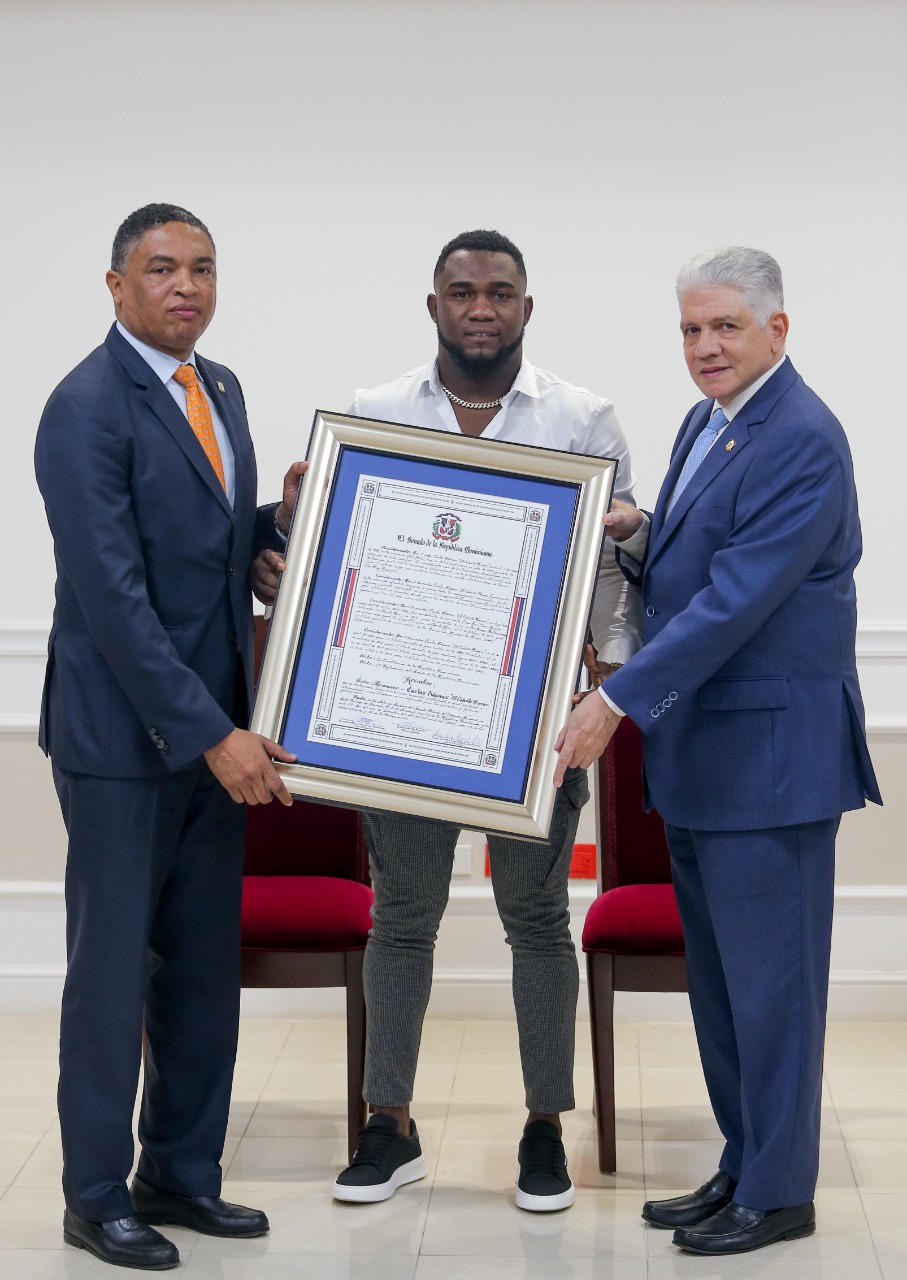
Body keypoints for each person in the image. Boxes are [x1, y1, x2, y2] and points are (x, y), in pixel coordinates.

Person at [257, 228, 642, 1211]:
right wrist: (295, 541)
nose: (481, 308)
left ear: (526, 306)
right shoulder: (374, 414)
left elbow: (604, 581)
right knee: (403, 921)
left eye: (500, 292)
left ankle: (543, 1129)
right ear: (432, 306)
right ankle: (389, 1126)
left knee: (537, 926)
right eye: (462, 292)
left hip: (534, 732)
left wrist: (608, 689)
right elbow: (340, 560)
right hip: (400, 724)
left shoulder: (582, 417)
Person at [555, 246, 881, 1255]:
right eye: (691, 329)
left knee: (773, 990)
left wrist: (616, 702)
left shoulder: (802, 437)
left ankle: (780, 1191)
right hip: (708, 759)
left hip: (771, 764)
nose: (704, 347)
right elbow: (705, 557)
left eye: (725, 328)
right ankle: (744, 1162)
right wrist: (639, 530)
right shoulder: (709, 422)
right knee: (728, 988)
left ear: (776, 330)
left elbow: (738, 600)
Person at [35, 203, 305, 1271]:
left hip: (211, 736)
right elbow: (113, 596)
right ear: (115, 286)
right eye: (160, 269)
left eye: (200, 267)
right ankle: (96, 1195)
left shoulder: (220, 388)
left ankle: (181, 1173)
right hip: (124, 740)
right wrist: (212, 734)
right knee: (109, 975)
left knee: (199, 967)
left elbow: (198, 542)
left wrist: (274, 529)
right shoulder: (84, 407)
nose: (184, 286)